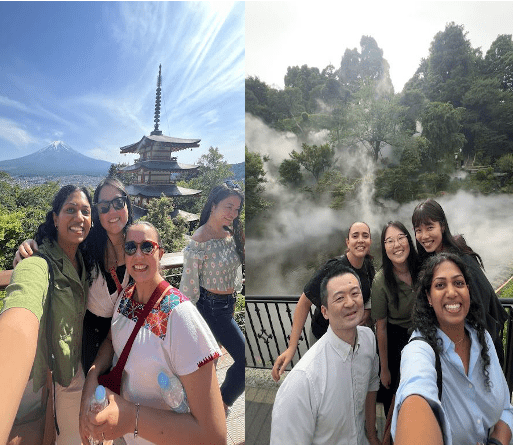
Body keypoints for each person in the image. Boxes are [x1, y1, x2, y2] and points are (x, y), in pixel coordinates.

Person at [79, 221, 226, 445]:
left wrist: (131, 419)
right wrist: (93, 375)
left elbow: (214, 436)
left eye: (147, 247)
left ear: (160, 254)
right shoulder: (126, 297)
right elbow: (111, 340)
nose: (138, 255)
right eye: (130, 248)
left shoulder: (180, 316)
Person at [0, 185, 93, 445]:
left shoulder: (86, 259)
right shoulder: (38, 259)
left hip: (75, 369)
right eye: (70, 210)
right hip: (47, 374)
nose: (79, 218)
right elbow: (24, 294)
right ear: (54, 218)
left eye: (86, 211)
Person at [14, 177, 134, 373]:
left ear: (128, 204)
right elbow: (59, 243)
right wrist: (28, 245)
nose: (112, 211)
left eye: (118, 203)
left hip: (128, 342)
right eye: (104, 206)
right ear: (97, 214)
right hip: (89, 346)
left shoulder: (139, 246)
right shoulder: (87, 247)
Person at [391, 252, 513, 445]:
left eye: (458, 283)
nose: (452, 292)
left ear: (468, 291)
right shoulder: (420, 351)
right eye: (440, 285)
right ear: (428, 297)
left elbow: (505, 409)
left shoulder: (483, 339)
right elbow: (415, 389)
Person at [270, 264, 380, 445]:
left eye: (355, 293)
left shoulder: (368, 339)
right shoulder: (303, 381)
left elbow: (371, 383)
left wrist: (372, 434)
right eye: (339, 298)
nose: (350, 302)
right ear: (325, 311)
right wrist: (291, 347)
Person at [271, 221, 375, 382]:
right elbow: (304, 302)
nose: (360, 240)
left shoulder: (367, 265)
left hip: (348, 336)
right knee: (327, 381)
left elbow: (368, 292)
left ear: (370, 241)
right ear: (348, 242)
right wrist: (292, 347)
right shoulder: (333, 267)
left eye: (365, 236)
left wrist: (366, 313)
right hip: (324, 335)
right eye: (355, 236)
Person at [412, 198, 508, 365]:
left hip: (482, 349)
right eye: (418, 230)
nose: (424, 236)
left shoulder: (461, 260)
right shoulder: (434, 260)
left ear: (442, 226)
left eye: (429, 227)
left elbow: (481, 305)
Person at [179, 181, 245, 413]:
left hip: (227, 307)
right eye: (229, 207)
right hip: (210, 310)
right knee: (242, 359)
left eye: (237, 209)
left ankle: (210, 407)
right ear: (214, 205)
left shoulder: (230, 233)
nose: (233, 213)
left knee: (209, 365)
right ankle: (220, 403)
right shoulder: (200, 239)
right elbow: (188, 287)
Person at [371, 221, 420, 417]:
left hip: (423, 336)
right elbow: (380, 328)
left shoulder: (423, 268)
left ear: (409, 240)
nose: (396, 244)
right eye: (389, 241)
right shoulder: (381, 281)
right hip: (396, 342)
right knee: (397, 398)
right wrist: (384, 369)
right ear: (384, 247)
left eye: (401, 238)